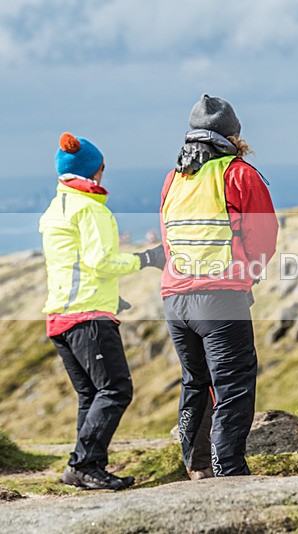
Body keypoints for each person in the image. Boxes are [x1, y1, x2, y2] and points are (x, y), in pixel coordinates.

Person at [160, 94, 278, 477]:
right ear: (233, 136)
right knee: (233, 385)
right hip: (220, 300)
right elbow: (264, 236)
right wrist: (249, 274)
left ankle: (197, 467)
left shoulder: (174, 179)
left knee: (195, 382)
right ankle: (228, 468)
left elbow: (166, 238)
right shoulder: (239, 173)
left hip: (175, 301)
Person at [40, 132, 165, 490]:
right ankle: (83, 464)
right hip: (87, 315)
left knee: (92, 395)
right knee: (115, 389)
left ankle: (88, 467)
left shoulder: (57, 208)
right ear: (93, 170)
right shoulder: (90, 209)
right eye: (102, 168)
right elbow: (100, 261)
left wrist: (112, 297)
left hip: (60, 316)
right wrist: (146, 258)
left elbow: (74, 264)